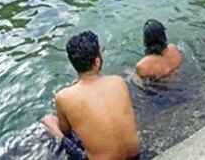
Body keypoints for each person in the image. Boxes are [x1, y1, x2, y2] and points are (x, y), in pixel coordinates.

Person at [41, 31, 142, 160]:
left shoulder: (63, 96)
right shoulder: (118, 81)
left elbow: (66, 132)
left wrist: (55, 128)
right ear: (97, 61)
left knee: (49, 123)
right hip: (136, 156)